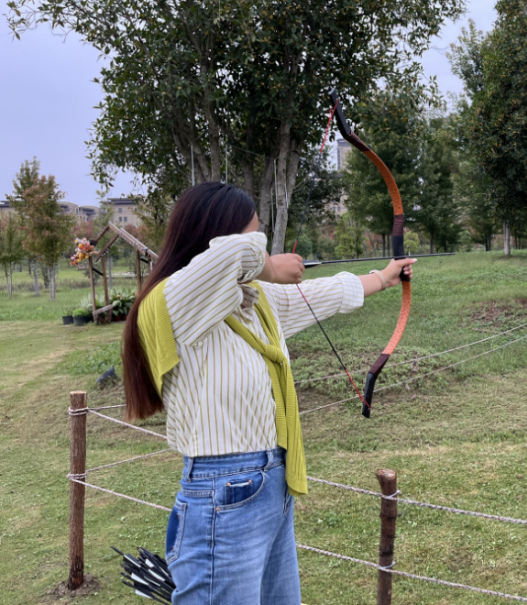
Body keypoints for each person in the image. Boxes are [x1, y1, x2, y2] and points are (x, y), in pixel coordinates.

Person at [121, 182, 414, 604]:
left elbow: (315, 295)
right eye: (251, 232)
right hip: (222, 492)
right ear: (212, 236)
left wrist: (382, 279)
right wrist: (270, 264)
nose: (257, 246)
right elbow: (233, 256)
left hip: (271, 484)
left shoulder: (251, 299)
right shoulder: (172, 301)